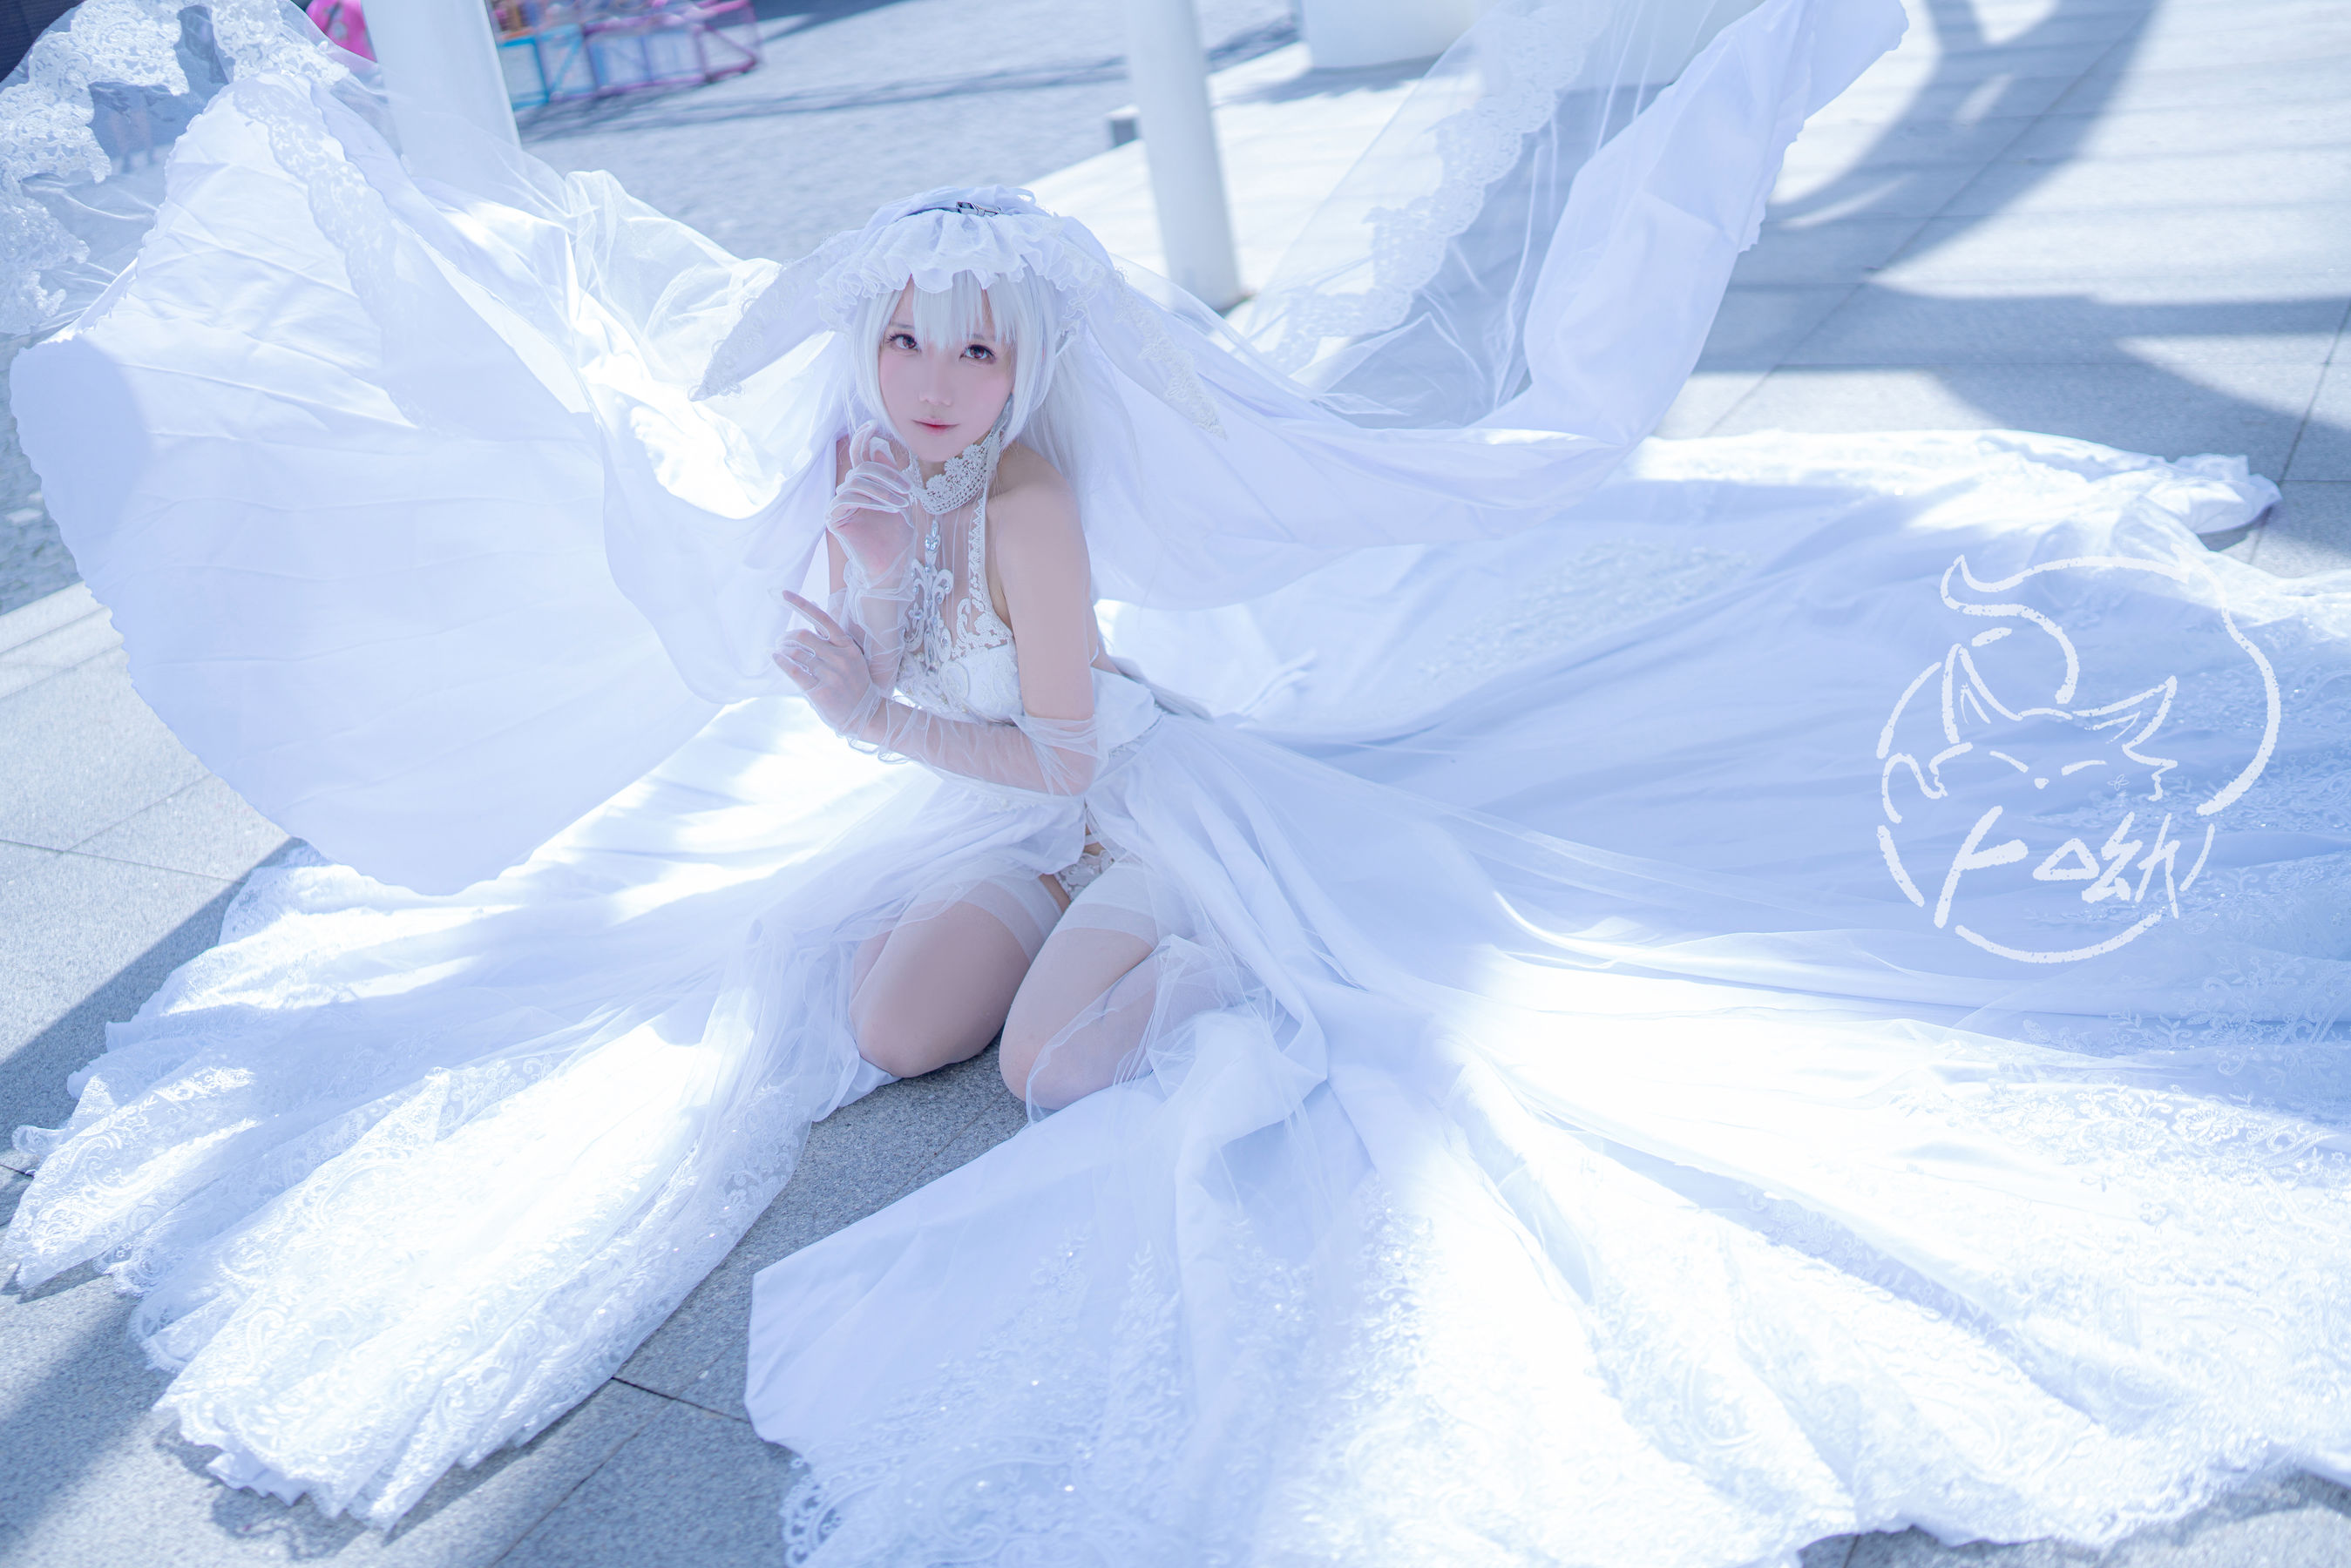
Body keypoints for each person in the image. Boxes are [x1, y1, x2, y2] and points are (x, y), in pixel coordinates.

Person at [3, 0, 2347, 1560]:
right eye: (905, 341)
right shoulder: (865, 463)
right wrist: (826, 635)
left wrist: (867, 712)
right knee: (890, 1024)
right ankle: (1061, 941)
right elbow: (769, 582)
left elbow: (1058, 732)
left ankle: (1209, 961)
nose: (932, 380)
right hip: (967, 814)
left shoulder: (1030, 497)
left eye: (969, 347)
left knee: (1046, 1073)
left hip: (1127, 803)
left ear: (1026, 358)